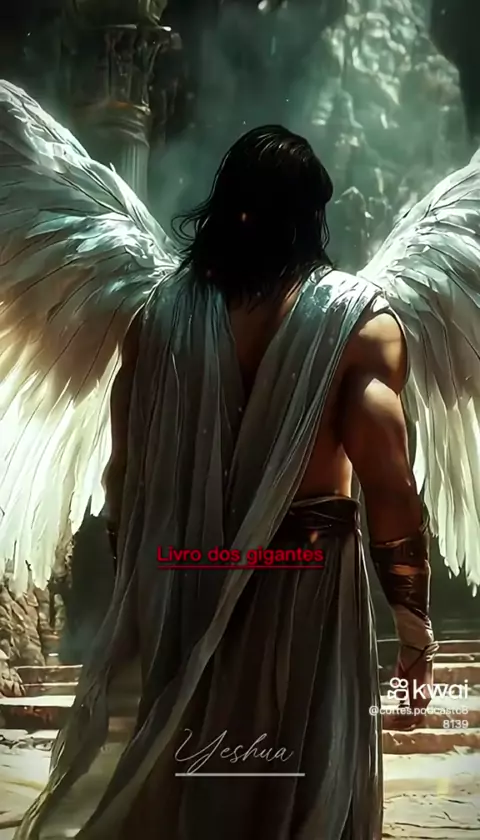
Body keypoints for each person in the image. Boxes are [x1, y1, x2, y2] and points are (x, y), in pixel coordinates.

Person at [16, 126, 436, 840]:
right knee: (297, 784)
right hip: (303, 588)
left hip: (187, 577)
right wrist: (413, 628)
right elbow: (391, 487)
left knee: (186, 788)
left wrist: (143, 590)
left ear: (228, 208)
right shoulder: (360, 325)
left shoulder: (155, 320)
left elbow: (125, 479)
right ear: (311, 216)